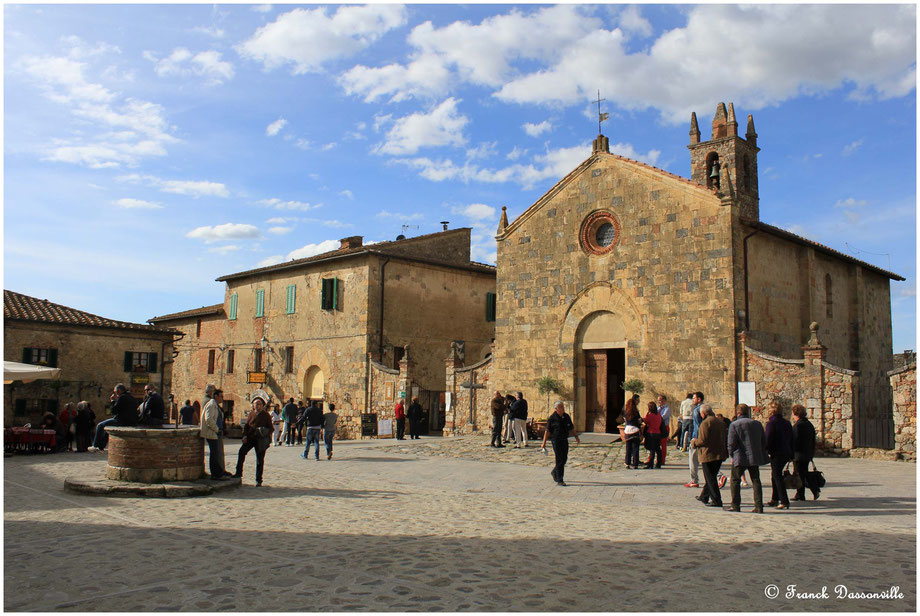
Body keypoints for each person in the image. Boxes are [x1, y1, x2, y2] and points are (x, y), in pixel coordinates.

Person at [726, 404, 768, 513]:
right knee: (756, 480)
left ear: (738, 413)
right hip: (754, 455)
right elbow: (763, 440)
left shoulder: (734, 425)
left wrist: (732, 455)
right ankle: (759, 505)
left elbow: (731, 443)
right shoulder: (757, 424)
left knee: (735, 480)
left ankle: (735, 505)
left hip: (739, 456)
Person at [234, 391, 274, 487]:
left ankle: (258, 480)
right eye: (255, 404)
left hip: (260, 440)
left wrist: (263, 431)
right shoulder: (252, 413)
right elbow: (247, 425)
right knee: (241, 452)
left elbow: (271, 428)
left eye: (259, 404)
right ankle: (238, 473)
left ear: (262, 405)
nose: (257, 406)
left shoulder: (266, 415)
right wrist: (244, 435)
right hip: (250, 438)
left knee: (260, 460)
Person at [691, 404, 728, 507]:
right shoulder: (720, 422)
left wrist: (694, 442)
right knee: (711, 477)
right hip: (719, 453)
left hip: (708, 454)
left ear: (703, 414)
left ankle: (716, 500)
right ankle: (704, 496)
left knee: (710, 478)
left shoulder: (705, 423)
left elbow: (703, 440)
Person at [540, 401, 580, 486]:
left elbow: (571, 427)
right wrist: (544, 443)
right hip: (556, 440)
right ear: (556, 409)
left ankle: (555, 472)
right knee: (559, 459)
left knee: (564, 458)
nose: (562, 408)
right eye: (560, 407)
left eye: (562, 406)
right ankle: (560, 479)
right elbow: (547, 431)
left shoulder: (566, 416)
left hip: (564, 439)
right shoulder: (552, 418)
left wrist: (576, 436)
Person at [90, 383, 138, 452]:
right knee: (107, 429)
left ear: (119, 391)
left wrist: (112, 401)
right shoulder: (131, 398)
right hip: (132, 421)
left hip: (122, 421)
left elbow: (114, 411)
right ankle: (101, 447)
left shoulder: (122, 398)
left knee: (100, 425)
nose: (115, 393)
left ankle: (95, 446)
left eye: (115, 392)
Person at [765, 400, 794, 510]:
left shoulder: (771, 423)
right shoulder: (786, 423)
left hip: (776, 452)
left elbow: (768, 438)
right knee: (775, 475)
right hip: (786, 452)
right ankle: (775, 498)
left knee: (777, 476)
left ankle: (784, 500)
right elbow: (791, 438)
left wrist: (765, 449)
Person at [791, 404, 820, 501]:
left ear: (796, 414)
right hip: (807, 453)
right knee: (804, 473)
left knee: (799, 474)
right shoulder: (809, 424)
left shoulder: (798, 426)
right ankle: (811, 490)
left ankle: (801, 494)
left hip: (798, 454)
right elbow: (813, 439)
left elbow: (795, 440)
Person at [200, 385, 230, 480]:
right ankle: (216, 474)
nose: (222, 398)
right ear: (216, 396)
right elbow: (208, 419)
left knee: (217, 453)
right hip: (212, 433)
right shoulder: (211, 404)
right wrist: (217, 429)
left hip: (216, 433)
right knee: (214, 454)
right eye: (221, 396)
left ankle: (219, 472)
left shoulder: (215, 405)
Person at [684, 392, 704, 487]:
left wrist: (694, 438)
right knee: (704, 458)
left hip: (697, 438)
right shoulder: (706, 408)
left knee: (693, 459)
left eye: (694, 398)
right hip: (704, 437)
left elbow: (698, 425)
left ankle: (694, 480)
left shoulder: (697, 410)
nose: (692, 400)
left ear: (699, 399)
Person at [642, 401, 665, 469]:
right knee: (658, 449)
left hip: (651, 433)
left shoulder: (650, 415)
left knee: (652, 449)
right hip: (658, 433)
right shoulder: (658, 415)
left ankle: (650, 464)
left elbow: (646, 421)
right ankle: (658, 463)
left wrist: (646, 415)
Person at [622, 398, 642, 469]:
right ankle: (635, 463)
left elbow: (624, 419)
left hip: (627, 430)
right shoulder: (636, 412)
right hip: (635, 430)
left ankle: (627, 463)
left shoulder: (626, 412)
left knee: (628, 448)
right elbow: (639, 421)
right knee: (635, 448)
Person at [652, 395, 670, 465]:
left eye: (660, 400)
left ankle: (662, 460)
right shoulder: (657, 408)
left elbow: (663, 417)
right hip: (657, 427)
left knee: (663, 444)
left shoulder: (666, 409)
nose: (659, 402)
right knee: (655, 444)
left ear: (664, 401)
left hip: (664, 427)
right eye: (658, 400)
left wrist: (655, 418)